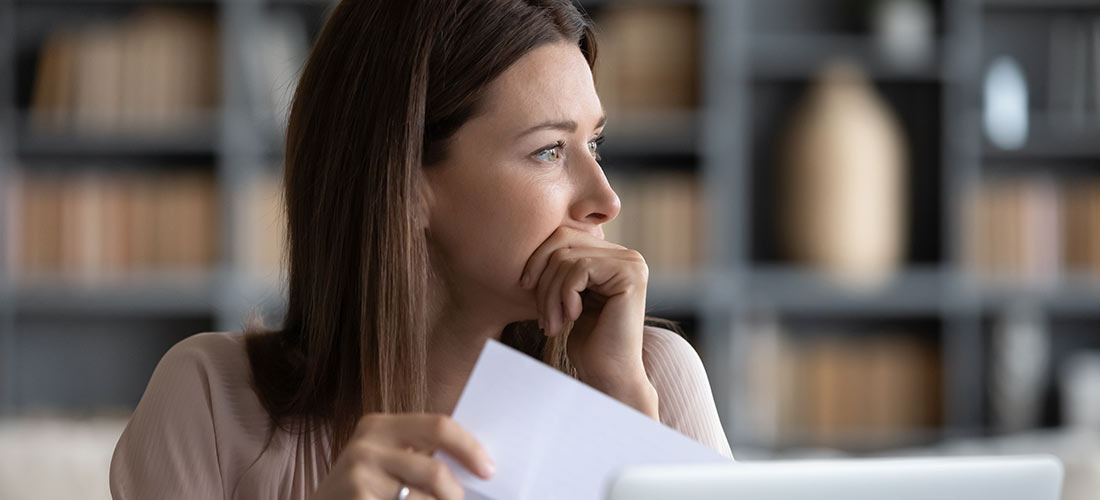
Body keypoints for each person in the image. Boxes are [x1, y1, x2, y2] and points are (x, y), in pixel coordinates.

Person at [109, 1, 733, 499]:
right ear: (404, 181)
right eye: (549, 151)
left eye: (594, 145)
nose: (606, 199)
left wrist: (625, 419)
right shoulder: (211, 402)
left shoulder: (655, 377)